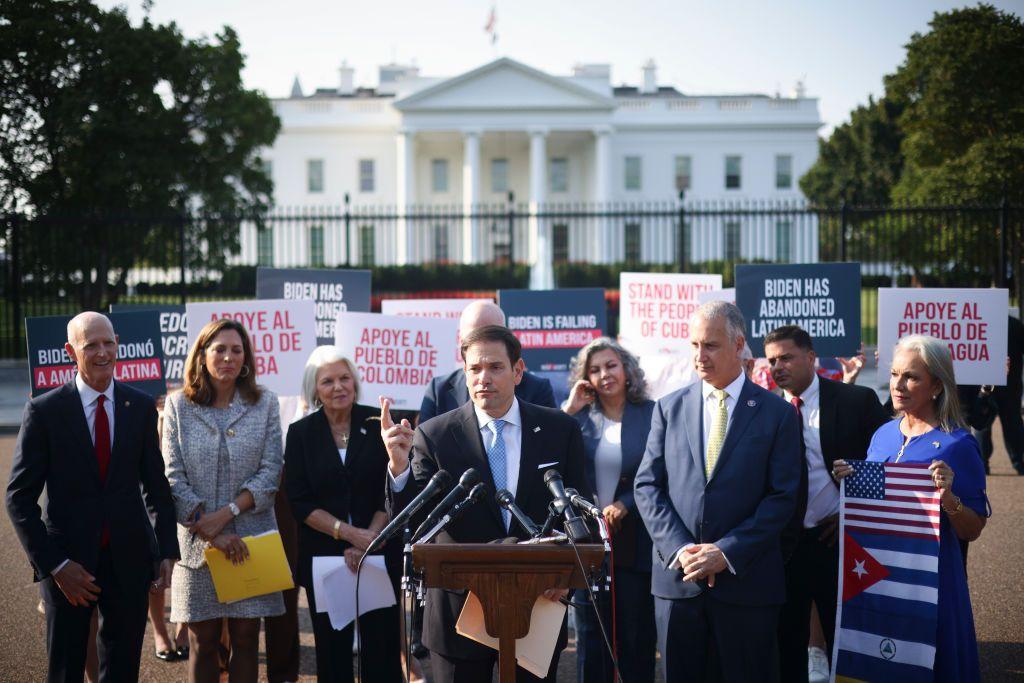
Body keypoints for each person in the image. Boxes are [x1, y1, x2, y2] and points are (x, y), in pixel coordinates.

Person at [384, 324, 591, 682]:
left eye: (495, 367)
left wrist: (565, 575)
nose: (484, 378)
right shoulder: (433, 435)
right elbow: (414, 521)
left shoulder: (559, 429)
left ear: (518, 370)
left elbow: (579, 506)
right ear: (464, 373)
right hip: (457, 609)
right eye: (475, 369)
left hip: (538, 600)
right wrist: (398, 466)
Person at [634, 301, 802, 683]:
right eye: (693, 345)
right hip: (680, 583)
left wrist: (725, 552)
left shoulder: (776, 414)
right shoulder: (668, 408)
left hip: (747, 586)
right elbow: (647, 486)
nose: (699, 356)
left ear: (738, 343)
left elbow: (783, 498)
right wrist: (681, 549)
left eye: (709, 345)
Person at [6, 312, 178, 682]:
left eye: (108, 343)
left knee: (121, 671)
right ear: (71, 351)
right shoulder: (44, 411)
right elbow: (18, 499)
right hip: (69, 567)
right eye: (91, 345)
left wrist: (166, 549)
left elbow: (156, 486)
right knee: (66, 669)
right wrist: (55, 566)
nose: (103, 352)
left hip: (128, 563)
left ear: (117, 341)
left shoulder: (140, 406)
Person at [834, 334, 989, 682]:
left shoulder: (958, 444)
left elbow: (973, 529)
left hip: (932, 582)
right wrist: (846, 481)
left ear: (936, 385)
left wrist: (949, 499)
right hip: (878, 578)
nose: (898, 385)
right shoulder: (882, 434)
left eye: (911, 376)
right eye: (893, 374)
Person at [763, 325, 889, 683]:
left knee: (844, 644)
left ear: (811, 357)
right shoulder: (764, 410)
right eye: (772, 360)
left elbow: (889, 463)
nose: (778, 366)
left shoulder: (855, 401)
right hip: (784, 547)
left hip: (836, 542)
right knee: (787, 643)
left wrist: (854, 512)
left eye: (786, 357)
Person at [162, 318, 284, 682]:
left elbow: (270, 471)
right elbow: (173, 476)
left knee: (246, 638)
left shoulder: (264, 403)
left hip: (250, 540)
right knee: (204, 638)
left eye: (236, 350)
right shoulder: (178, 406)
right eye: (219, 349)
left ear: (245, 358)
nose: (228, 357)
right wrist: (209, 530)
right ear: (202, 355)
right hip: (197, 543)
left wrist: (229, 513)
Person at [284, 346, 403, 683]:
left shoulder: (376, 423)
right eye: (328, 381)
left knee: (381, 651)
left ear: (355, 382)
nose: (338, 387)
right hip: (325, 557)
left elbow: (390, 488)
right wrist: (351, 535)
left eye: (344, 378)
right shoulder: (301, 433)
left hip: (378, 552)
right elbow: (299, 501)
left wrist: (369, 540)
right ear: (315, 389)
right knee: (332, 654)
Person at [563, 338, 656, 683]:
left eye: (611, 366)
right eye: (595, 369)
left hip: (638, 542)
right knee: (591, 639)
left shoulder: (652, 413)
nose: (605, 375)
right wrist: (570, 408)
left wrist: (626, 504)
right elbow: (546, 452)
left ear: (627, 369)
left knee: (636, 638)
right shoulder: (579, 420)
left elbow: (660, 471)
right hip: (591, 544)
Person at [419, 301, 556, 421]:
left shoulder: (537, 389)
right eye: (474, 338)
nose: (484, 345)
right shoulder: (438, 391)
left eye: (493, 335)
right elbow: (425, 446)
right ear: (461, 342)